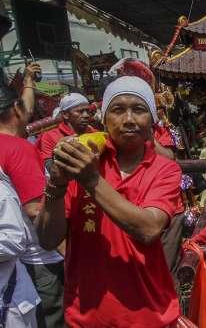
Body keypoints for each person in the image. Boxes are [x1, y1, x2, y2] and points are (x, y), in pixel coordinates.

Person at [35, 75, 182, 327]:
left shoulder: (164, 170)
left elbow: (148, 229)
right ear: (103, 119)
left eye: (138, 110)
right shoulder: (84, 158)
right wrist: (57, 185)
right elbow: (47, 240)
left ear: (152, 121)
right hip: (89, 316)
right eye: (117, 110)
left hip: (149, 315)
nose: (128, 120)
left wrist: (91, 180)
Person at [0, 65, 42, 327]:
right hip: (39, 259)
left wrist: (27, 81)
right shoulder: (19, 149)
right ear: (15, 109)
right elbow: (36, 209)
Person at [35, 93, 95, 170]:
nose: (86, 115)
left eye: (87, 111)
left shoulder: (95, 133)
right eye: (80, 111)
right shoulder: (49, 136)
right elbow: (49, 167)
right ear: (65, 115)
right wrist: (58, 153)